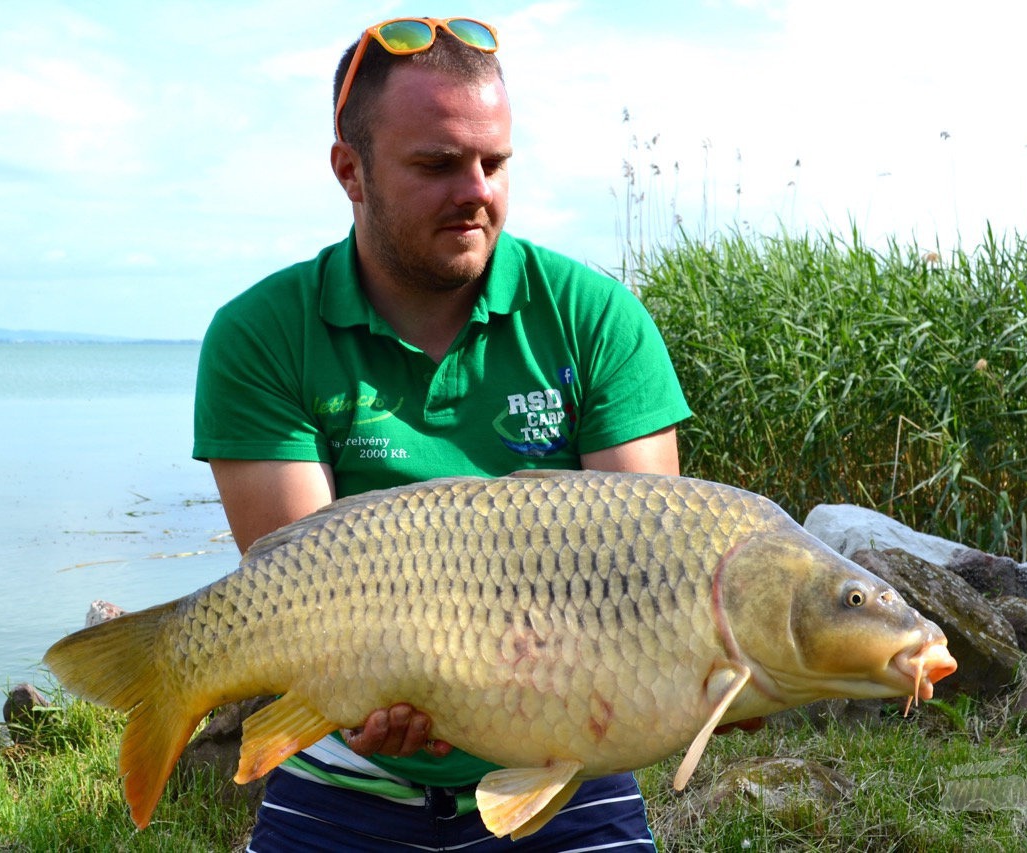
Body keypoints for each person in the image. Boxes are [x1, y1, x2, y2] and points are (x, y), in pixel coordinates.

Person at [193, 16, 692, 851]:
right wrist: (354, 693)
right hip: (344, 779)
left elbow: (650, 570)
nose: (477, 190)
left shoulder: (597, 320)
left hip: (572, 767)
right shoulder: (262, 333)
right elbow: (299, 593)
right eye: (436, 164)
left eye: (494, 162)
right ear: (350, 172)